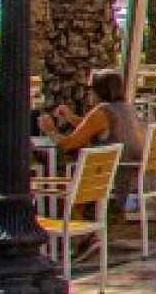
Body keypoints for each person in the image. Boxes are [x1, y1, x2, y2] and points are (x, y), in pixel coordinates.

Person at [37, 69, 146, 198]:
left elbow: (69, 144)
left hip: (111, 180)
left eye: (90, 89)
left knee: (65, 169)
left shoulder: (102, 111)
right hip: (134, 177)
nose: (88, 93)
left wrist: (50, 130)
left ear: (98, 90)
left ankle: (60, 207)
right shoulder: (127, 109)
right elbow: (93, 126)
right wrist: (70, 117)